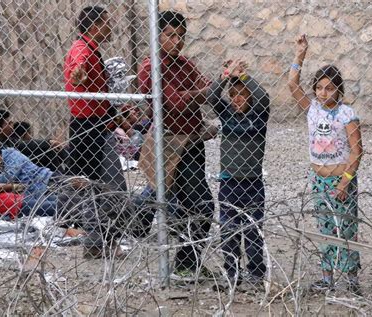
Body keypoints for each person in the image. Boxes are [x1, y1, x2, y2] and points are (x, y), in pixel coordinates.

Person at [138, 11, 215, 279]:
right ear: (158, 36)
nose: (177, 41)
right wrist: (199, 93)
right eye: (171, 35)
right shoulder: (151, 67)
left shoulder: (184, 64)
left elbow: (205, 90)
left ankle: (186, 263)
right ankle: (184, 264)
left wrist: (198, 92)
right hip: (171, 147)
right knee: (202, 206)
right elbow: (175, 103)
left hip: (192, 143)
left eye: (181, 36)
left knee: (188, 207)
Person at [288, 35, 363, 294]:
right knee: (324, 229)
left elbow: (357, 150)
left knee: (346, 229)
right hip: (319, 179)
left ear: (338, 90)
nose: (323, 92)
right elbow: (291, 84)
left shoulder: (347, 114)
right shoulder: (312, 109)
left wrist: (345, 182)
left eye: (329, 88)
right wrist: (300, 54)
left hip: (340, 180)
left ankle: (352, 280)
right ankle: (327, 277)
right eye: (319, 87)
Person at [207, 60, 270, 286]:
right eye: (233, 95)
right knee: (229, 230)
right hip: (229, 183)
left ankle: (255, 272)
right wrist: (225, 75)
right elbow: (212, 97)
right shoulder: (227, 115)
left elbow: (263, 97)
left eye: (242, 95)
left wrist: (243, 76)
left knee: (253, 231)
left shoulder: (259, 116)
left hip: (253, 184)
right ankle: (231, 272)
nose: (237, 99)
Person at [64, 5, 126, 192]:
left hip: (95, 124)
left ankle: (86, 216)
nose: (111, 27)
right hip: (87, 126)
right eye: (107, 23)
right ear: (94, 26)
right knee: (86, 180)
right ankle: (78, 218)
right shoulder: (82, 49)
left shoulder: (89, 48)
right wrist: (78, 70)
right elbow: (79, 60)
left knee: (91, 178)